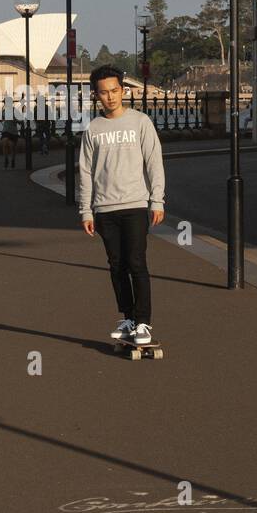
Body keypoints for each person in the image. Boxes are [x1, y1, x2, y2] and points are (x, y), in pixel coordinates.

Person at [77, 65, 165, 347]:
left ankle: (143, 322)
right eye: (104, 93)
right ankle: (127, 318)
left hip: (136, 205)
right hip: (105, 209)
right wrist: (86, 210)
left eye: (115, 91)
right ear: (96, 95)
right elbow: (86, 172)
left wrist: (157, 200)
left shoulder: (141, 122)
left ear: (123, 90)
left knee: (137, 263)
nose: (110, 97)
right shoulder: (93, 129)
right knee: (116, 266)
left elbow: (154, 163)